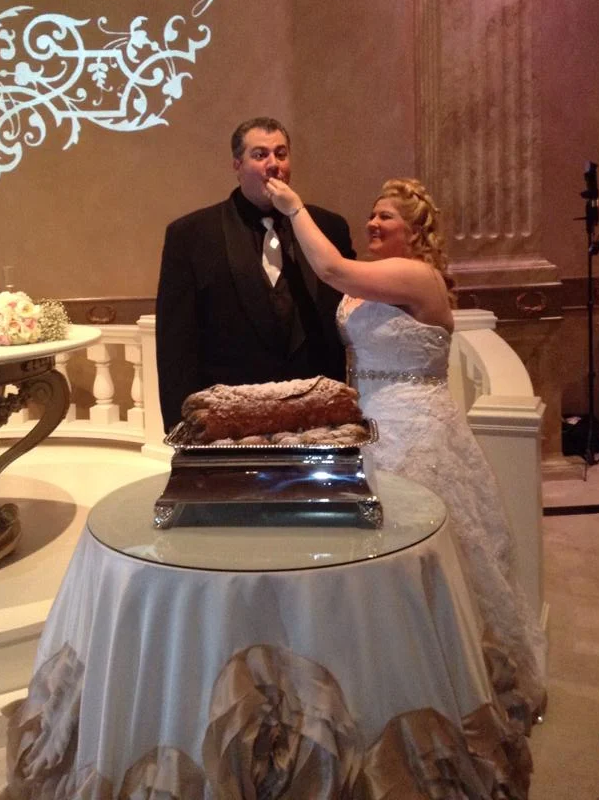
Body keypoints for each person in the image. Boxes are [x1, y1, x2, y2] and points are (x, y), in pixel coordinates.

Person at [266, 173, 547, 714]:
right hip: (371, 419)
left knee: (419, 547)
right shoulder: (381, 277)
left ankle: (443, 686)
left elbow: (330, 269)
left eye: (386, 216)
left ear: (415, 231)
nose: (373, 222)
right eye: (372, 214)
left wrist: (294, 205)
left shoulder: (418, 276)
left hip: (419, 427)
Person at [155, 117, 355, 431]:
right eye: (260, 155)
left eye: (281, 153)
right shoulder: (191, 235)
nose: (273, 164)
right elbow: (175, 344)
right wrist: (181, 426)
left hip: (315, 420)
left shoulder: (330, 228)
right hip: (229, 423)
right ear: (237, 164)